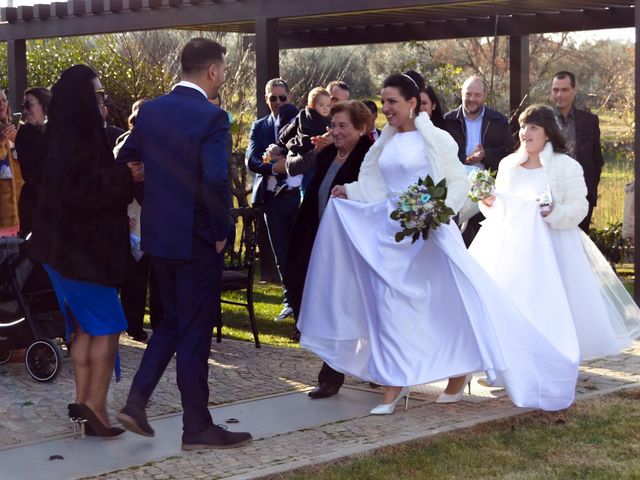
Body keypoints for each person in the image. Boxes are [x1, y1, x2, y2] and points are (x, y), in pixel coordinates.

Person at [298, 74, 580, 414]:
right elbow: (375, 183)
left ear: (412, 103)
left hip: (428, 235)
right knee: (387, 309)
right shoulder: (383, 142)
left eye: (392, 102)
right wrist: (352, 191)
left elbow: (456, 181)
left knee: (447, 308)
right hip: (390, 236)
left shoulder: (438, 140)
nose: (385, 108)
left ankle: (457, 372)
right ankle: (394, 382)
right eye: (383, 101)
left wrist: (437, 210)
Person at [116, 38, 252, 450]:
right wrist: (220, 230)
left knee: (171, 323)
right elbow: (213, 179)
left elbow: (126, 155)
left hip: (159, 236)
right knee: (193, 331)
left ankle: (137, 401)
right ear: (212, 71)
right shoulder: (212, 117)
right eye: (224, 71)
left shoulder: (152, 111)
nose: (223, 77)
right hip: (197, 239)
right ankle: (196, 427)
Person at [469, 104, 640, 368]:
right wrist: (489, 203)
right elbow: (501, 205)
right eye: (524, 127)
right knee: (507, 301)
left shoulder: (565, 166)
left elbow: (580, 207)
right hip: (509, 246)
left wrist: (553, 212)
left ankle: (548, 359)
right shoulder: (508, 165)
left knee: (547, 305)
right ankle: (510, 361)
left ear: (547, 133)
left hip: (552, 247)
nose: (526, 133)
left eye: (533, 127)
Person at [28, 65, 143, 437]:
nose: (102, 101)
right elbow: (83, 190)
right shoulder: (80, 137)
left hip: (66, 253)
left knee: (84, 331)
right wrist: (128, 176)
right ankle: (96, 410)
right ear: (82, 97)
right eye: (97, 94)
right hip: (83, 256)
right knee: (108, 329)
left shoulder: (60, 135)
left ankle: (84, 405)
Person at [283, 101, 373, 398]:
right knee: (332, 307)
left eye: (343, 126)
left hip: (351, 247)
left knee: (359, 310)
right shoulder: (327, 156)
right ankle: (331, 375)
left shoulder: (367, 159)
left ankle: (371, 369)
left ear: (361, 128)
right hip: (320, 243)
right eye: (332, 125)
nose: (335, 131)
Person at [246, 78, 301, 322]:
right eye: (273, 98)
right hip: (272, 198)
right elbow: (252, 161)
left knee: (301, 252)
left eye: (282, 98)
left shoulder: (302, 122)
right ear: (265, 99)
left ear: (289, 97)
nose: (277, 102)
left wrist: (287, 163)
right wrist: (275, 168)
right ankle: (289, 302)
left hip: (298, 197)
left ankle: (304, 303)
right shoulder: (259, 127)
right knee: (281, 254)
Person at [444, 75, 514, 245]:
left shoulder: (498, 120)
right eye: (468, 94)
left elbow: (509, 151)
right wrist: (466, 159)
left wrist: (486, 155)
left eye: (477, 95)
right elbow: (442, 155)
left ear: (484, 96)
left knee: (487, 242)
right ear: (461, 94)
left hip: (491, 191)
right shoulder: (449, 120)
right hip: (457, 190)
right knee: (459, 241)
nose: (472, 99)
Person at [113, 99, 162, 342]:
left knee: (159, 275)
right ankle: (133, 324)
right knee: (136, 274)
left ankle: (160, 324)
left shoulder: (161, 142)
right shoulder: (126, 144)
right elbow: (122, 177)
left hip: (157, 216)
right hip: (136, 213)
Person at [551, 71, 604, 233]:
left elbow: (597, 160)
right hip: (551, 195)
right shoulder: (543, 120)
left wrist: (589, 190)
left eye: (564, 90)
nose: (559, 95)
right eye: (555, 90)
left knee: (579, 246)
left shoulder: (590, 121)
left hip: (580, 195)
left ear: (574, 90)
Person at [278, 87, 332, 193]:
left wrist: (282, 140)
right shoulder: (325, 121)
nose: (325, 109)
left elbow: (290, 130)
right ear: (311, 105)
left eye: (328, 105)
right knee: (310, 178)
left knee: (307, 181)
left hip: (301, 149)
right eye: (321, 105)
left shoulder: (301, 114)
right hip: (311, 147)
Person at [15, 87, 51, 237]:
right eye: (24, 106)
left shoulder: (59, 131)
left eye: (30, 105)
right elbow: (33, 171)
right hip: (35, 201)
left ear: (45, 105)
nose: (25, 111)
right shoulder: (25, 134)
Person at [0, 89, 23, 229]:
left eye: (3, 100)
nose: (1, 104)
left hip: (20, 202)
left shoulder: (17, 128)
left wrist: (19, 141)